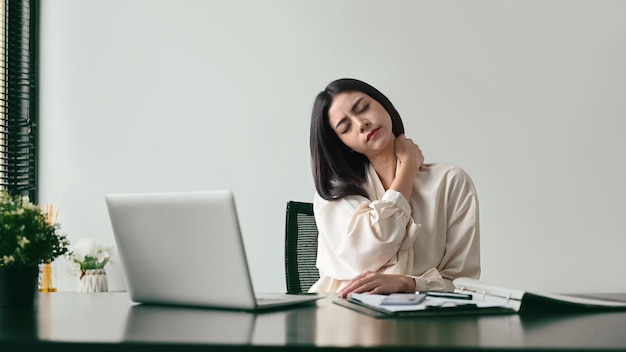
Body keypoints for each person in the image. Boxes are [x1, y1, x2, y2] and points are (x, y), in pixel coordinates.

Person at [309, 78, 480, 297]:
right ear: (344, 145)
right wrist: (408, 166)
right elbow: (369, 251)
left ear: (383, 104)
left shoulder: (450, 181)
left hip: (425, 321)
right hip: (345, 315)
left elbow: (463, 282)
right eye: (346, 127)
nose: (361, 123)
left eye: (363, 108)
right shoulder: (333, 195)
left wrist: (409, 284)